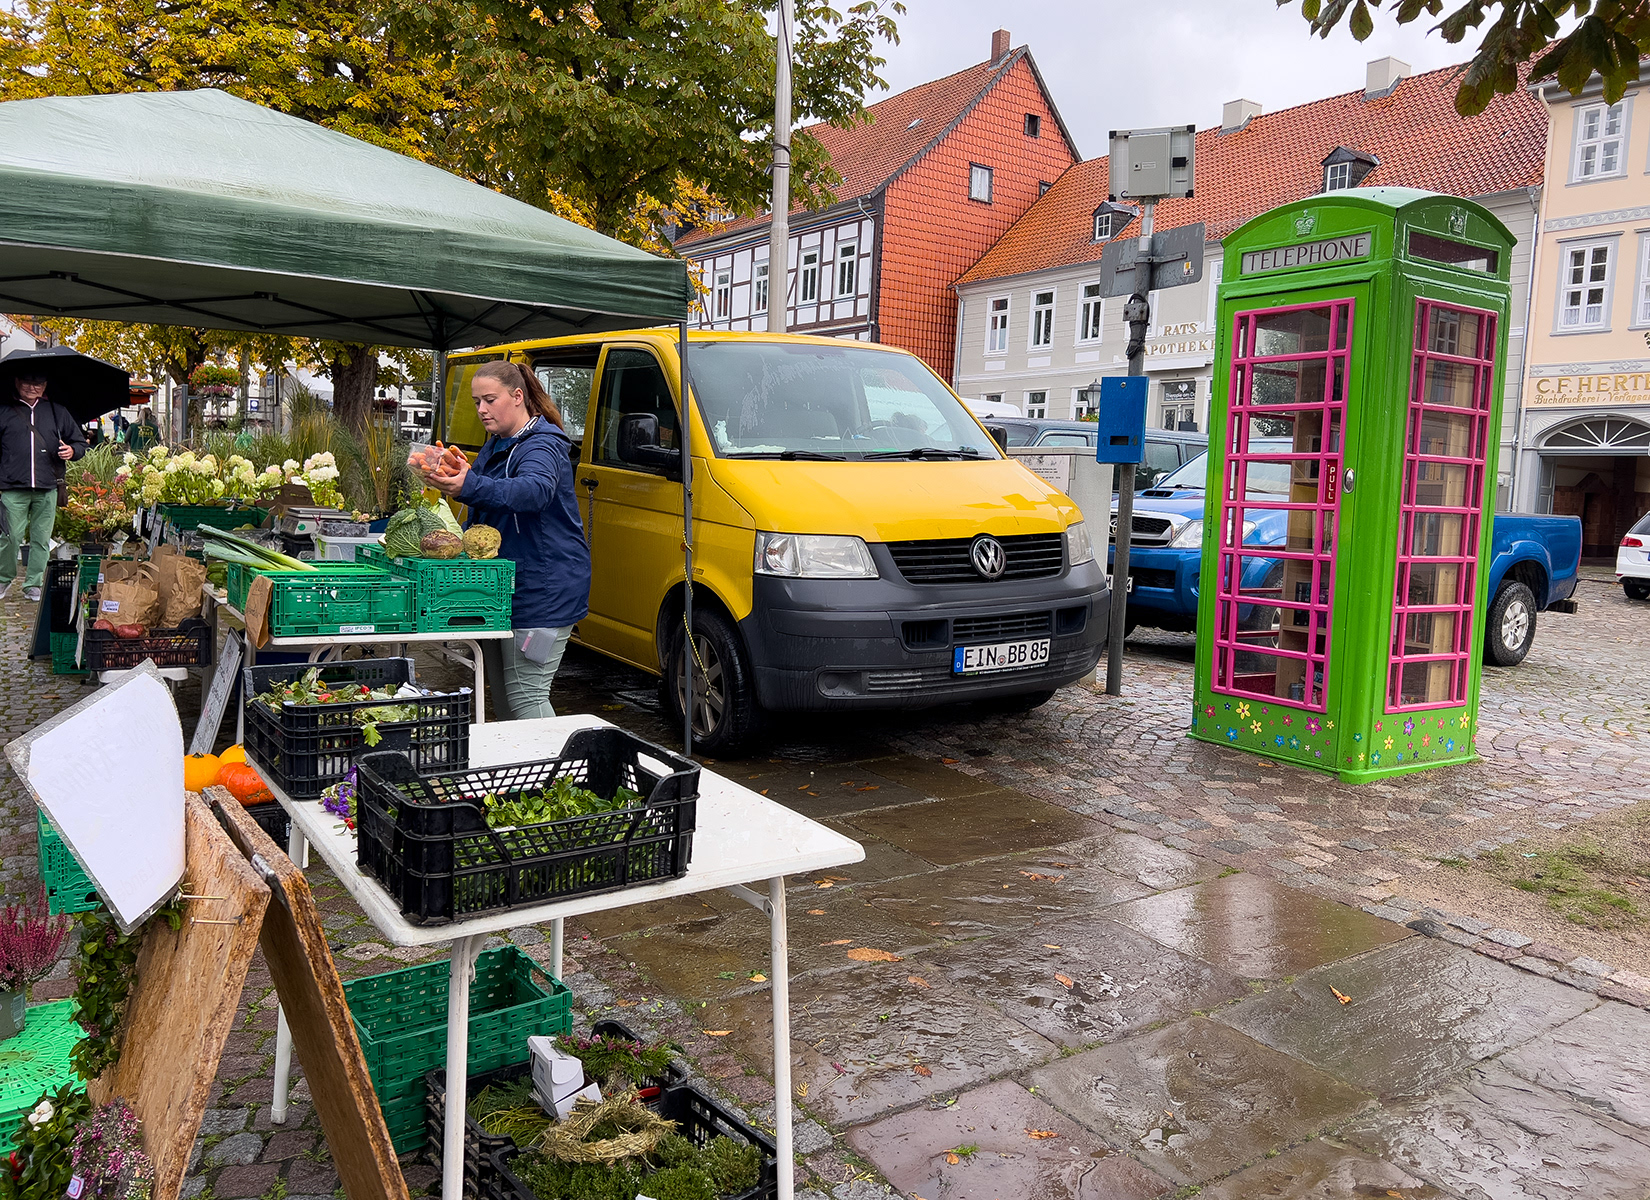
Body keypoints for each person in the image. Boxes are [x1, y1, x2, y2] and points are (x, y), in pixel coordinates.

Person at [418, 361, 590, 720]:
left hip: (544, 591)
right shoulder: (497, 443)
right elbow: (489, 493)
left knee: (527, 696)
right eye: (476, 401)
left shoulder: (543, 445)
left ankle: (559, 760)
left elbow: (535, 490)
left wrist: (470, 485)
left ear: (517, 396)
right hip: (505, 588)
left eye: (490, 400)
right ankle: (530, 760)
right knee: (506, 699)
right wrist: (460, 473)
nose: (481, 409)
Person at [0, 372, 86, 601]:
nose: (32, 388)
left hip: (48, 486)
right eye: (26, 382)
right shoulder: (4, 411)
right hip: (12, 487)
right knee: (10, 536)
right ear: (17, 382)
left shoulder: (57, 412)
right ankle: (3, 578)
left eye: (37, 383)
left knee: (41, 539)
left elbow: (80, 443)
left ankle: (33, 584)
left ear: (45, 385)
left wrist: (72, 451)